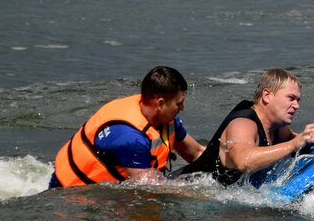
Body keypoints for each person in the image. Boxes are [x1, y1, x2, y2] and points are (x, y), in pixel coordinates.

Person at [49, 66, 205, 188]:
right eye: (179, 103)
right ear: (160, 104)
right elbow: (150, 188)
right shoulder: (130, 138)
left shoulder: (166, 119)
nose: (182, 108)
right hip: (72, 196)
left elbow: (197, 152)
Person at [175, 68, 314, 185]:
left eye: (298, 100)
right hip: (186, 190)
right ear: (267, 96)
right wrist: (292, 145)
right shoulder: (242, 124)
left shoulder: (277, 127)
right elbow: (244, 161)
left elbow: (296, 140)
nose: (296, 105)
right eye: (291, 98)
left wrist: (311, 137)